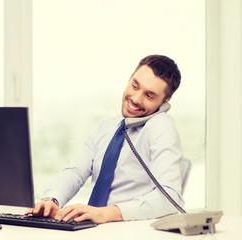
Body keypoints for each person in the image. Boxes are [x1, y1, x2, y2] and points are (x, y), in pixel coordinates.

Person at [26, 54, 184, 224]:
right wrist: (52, 199)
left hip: (129, 229)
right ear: (130, 78)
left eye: (149, 96)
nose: (136, 99)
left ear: (165, 101)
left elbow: (170, 197)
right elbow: (76, 170)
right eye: (135, 86)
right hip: (94, 228)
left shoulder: (161, 126)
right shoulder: (106, 126)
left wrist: (106, 213)